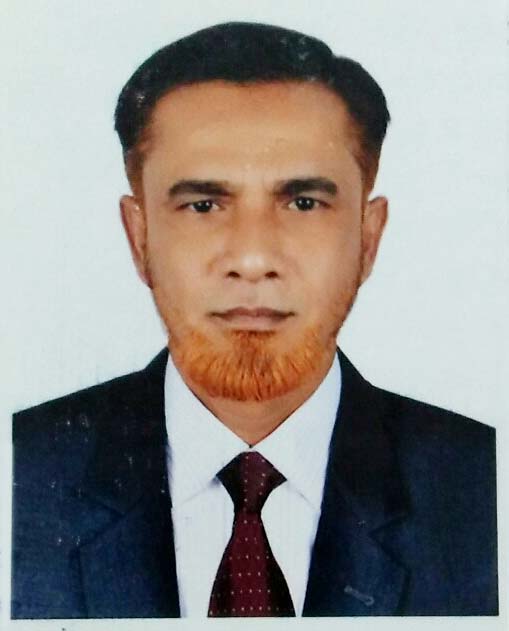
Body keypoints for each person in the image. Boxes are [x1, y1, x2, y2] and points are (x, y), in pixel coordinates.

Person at [11, 22, 497, 619]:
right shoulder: (21, 475)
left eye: (303, 203)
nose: (252, 258)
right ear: (139, 238)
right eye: (203, 205)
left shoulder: (483, 488)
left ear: (368, 238)